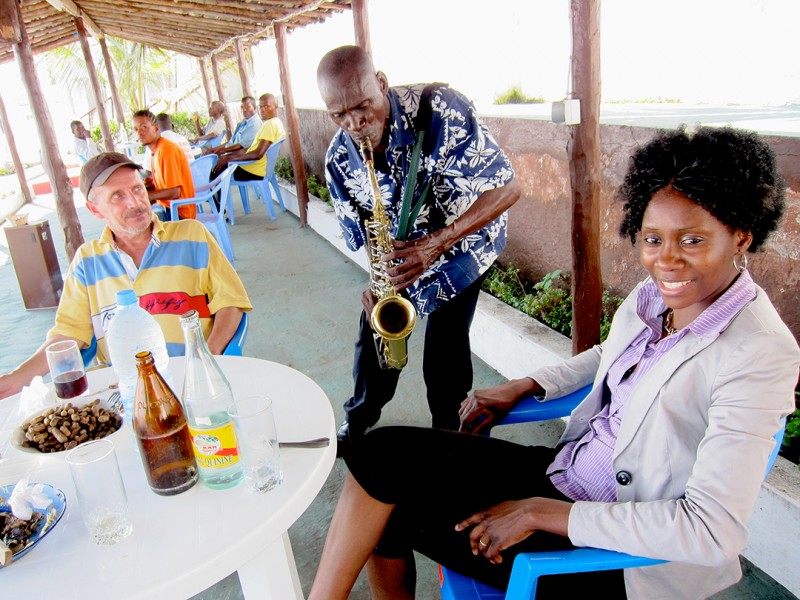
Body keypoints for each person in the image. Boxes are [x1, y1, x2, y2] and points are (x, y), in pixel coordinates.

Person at [308, 126, 800, 599]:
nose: (665, 260)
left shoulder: (758, 352)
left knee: (387, 505)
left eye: (691, 240)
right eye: (653, 239)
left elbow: (711, 530)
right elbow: (612, 353)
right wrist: (527, 383)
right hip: (567, 474)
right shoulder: (658, 297)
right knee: (379, 454)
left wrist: (542, 514)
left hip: (619, 553)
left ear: (740, 235)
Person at [316, 45, 520, 450]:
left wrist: (436, 243)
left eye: (362, 106)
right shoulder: (340, 160)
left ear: (382, 83)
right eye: (339, 114)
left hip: (461, 245)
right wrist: (378, 281)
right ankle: (358, 419)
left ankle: (446, 437)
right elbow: (369, 234)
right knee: (374, 348)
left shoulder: (440, 109)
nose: (355, 123)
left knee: (445, 356)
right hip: (403, 258)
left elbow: (509, 187)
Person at [0, 152, 252, 401]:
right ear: (95, 210)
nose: (134, 202)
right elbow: (67, 334)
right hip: (125, 395)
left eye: (137, 189)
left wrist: (208, 355)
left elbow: (231, 301)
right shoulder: (87, 261)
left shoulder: (192, 235)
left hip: (191, 381)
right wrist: (17, 378)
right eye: (117, 196)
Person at [132, 109, 196, 220]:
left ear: (156, 128)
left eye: (144, 127)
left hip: (178, 213)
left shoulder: (166, 150)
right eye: (135, 129)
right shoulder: (155, 151)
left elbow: (174, 192)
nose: (139, 132)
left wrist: (145, 196)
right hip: (167, 207)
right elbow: (159, 185)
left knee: (135, 225)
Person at [210, 93, 285, 185]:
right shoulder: (277, 122)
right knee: (218, 167)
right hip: (257, 168)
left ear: (276, 107)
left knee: (215, 172)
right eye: (261, 107)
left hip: (252, 170)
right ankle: (218, 197)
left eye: (266, 106)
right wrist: (228, 157)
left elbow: (258, 154)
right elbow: (251, 149)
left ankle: (216, 198)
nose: (262, 110)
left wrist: (228, 159)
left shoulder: (269, 125)